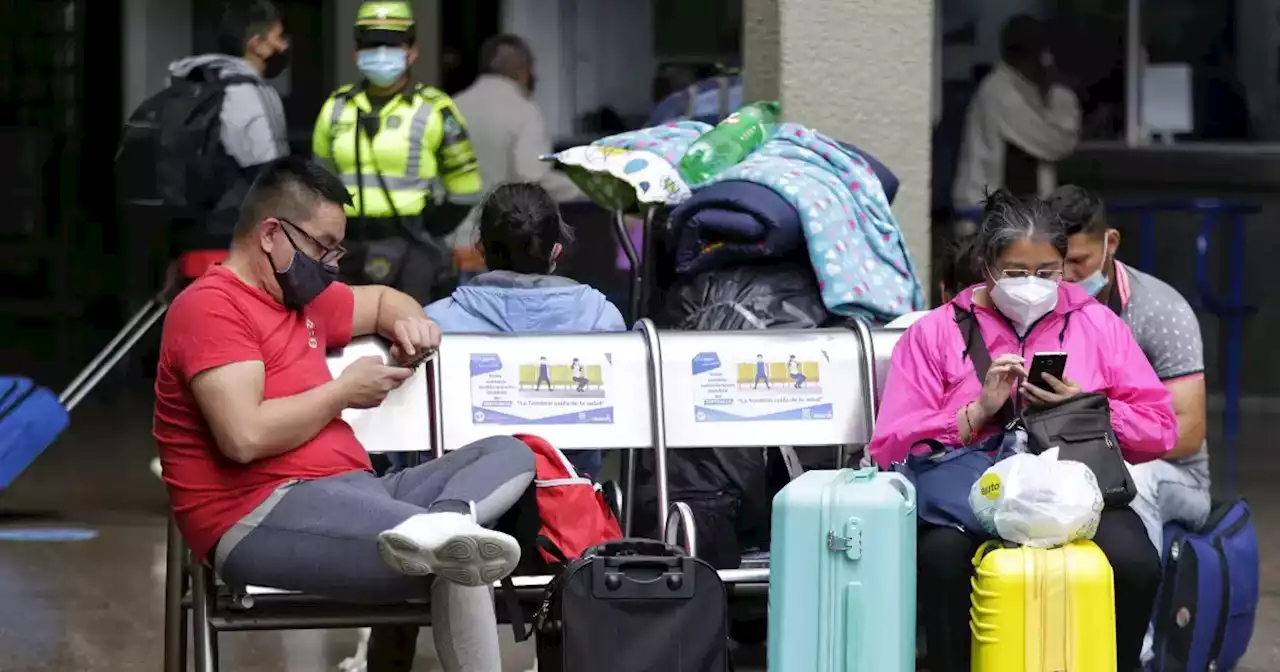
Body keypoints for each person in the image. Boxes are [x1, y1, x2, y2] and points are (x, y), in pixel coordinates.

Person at [153, 156, 529, 672]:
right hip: (261, 509)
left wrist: (411, 322)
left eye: (337, 248)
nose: (331, 262)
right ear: (270, 234)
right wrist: (342, 392)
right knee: (460, 562)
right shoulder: (212, 307)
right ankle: (439, 533)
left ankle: (442, 523)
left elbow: (379, 301)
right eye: (321, 246)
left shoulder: (298, 298)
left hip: (358, 491)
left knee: (512, 451)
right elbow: (243, 435)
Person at [869, 189, 1176, 672]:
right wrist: (974, 412)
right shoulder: (934, 332)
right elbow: (889, 446)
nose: (1031, 284)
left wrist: (1087, 406)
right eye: (1015, 273)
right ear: (988, 265)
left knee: (1136, 565)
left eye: (1047, 272)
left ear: (1063, 267)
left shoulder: (1098, 325)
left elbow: (1161, 430)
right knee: (945, 560)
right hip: (968, 493)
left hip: (1077, 489)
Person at [1052, 184, 1211, 655]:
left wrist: (1090, 415)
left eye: (1079, 262)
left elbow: (1187, 433)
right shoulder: (1044, 306)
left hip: (1172, 474)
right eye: (1056, 262)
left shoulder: (1160, 312)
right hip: (1071, 460)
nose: (1065, 276)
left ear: (1111, 244)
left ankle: (1132, 647)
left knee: (1134, 479)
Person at [425, 183, 625, 478]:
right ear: (556, 250)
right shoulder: (602, 318)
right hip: (570, 494)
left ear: (480, 248)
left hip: (465, 494)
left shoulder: (435, 324)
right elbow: (613, 427)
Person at [312, 0, 483, 304]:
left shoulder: (434, 109)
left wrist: (430, 228)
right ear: (356, 50)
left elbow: (466, 187)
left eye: (391, 44)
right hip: (346, 248)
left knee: (411, 339)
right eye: (371, 44)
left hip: (411, 247)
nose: (380, 53)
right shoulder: (336, 107)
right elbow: (316, 182)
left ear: (412, 50)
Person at [165, 0, 291, 262]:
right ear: (256, 44)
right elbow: (271, 172)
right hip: (238, 238)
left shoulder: (192, 84)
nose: (284, 46)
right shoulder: (254, 92)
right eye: (278, 37)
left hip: (189, 234)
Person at [952, 15, 1081, 218]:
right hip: (986, 216)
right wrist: (1055, 92)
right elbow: (1055, 144)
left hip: (1013, 216)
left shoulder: (1024, 89)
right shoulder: (1000, 92)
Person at [454, 35, 583, 203]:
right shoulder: (524, 111)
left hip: (449, 227)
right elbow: (533, 178)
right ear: (523, 71)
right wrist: (587, 190)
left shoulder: (452, 107)